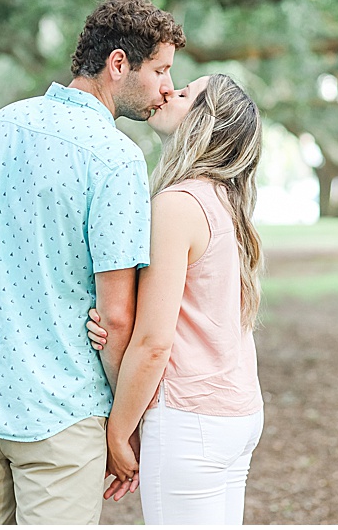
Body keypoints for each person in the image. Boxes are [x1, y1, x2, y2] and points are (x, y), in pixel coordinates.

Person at [0, 0, 186, 525]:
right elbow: (116, 318)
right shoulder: (115, 158)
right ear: (119, 64)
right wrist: (124, 424)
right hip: (59, 417)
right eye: (161, 69)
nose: (167, 86)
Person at [86, 74, 265, 524]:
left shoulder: (178, 205)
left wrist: (118, 432)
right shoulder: (228, 201)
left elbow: (153, 343)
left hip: (192, 418)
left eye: (184, 93)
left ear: (205, 122)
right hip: (238, 414)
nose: (169, 91)